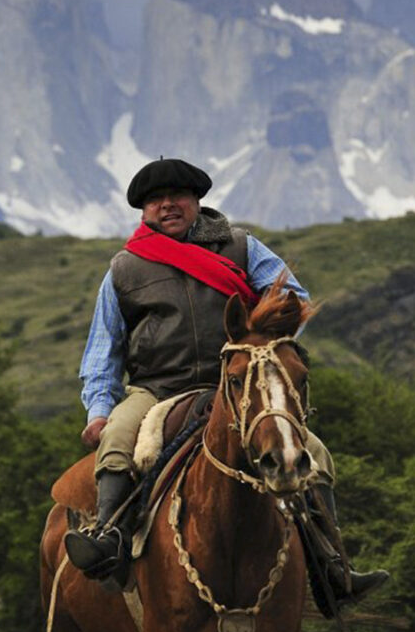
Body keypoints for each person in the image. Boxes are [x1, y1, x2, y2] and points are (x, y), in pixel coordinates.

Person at [62, 157, 387, 607]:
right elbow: (104, 350)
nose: (168, 205)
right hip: (157, 389)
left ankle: (332, 567)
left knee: (314, 452)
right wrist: (99, 412)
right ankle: (110, 539)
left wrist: (261, 339)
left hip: (237, 385)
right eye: (156, 200)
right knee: (117, 438)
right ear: (144, 211)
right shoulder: (124, 268)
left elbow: (294, 300)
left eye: (178, 196)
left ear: (196, 201)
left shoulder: (240, 247)